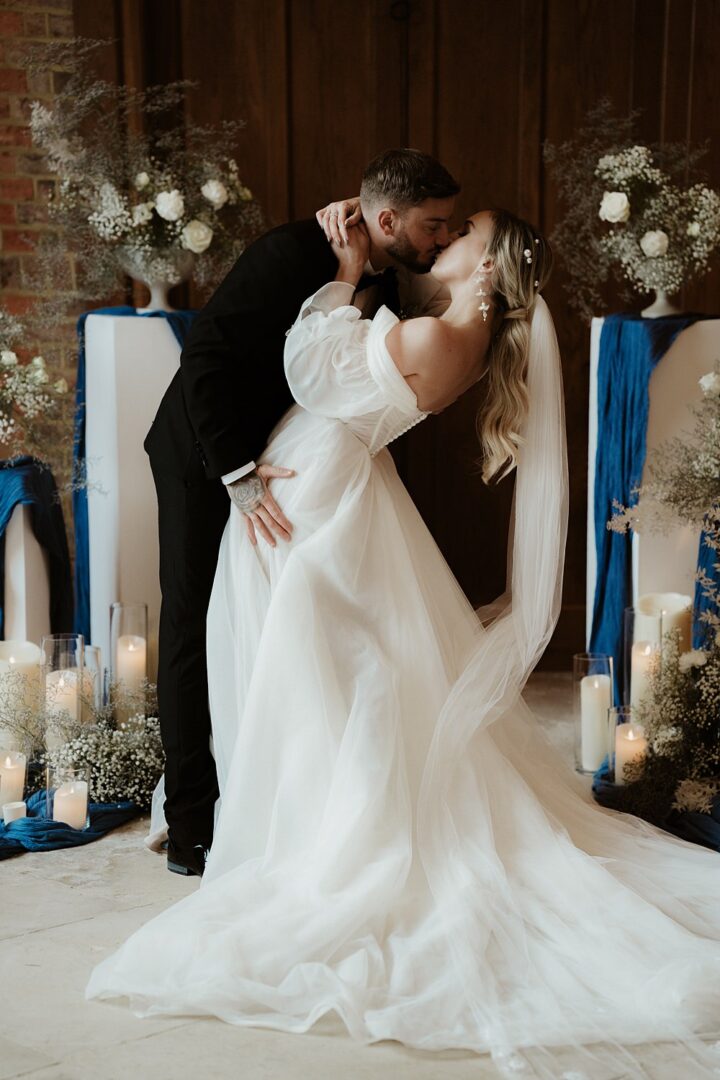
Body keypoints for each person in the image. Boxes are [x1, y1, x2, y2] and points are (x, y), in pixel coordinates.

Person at [90, 203, 720, 1077]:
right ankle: (291, 811)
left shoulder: (436, 336)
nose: (446, 240)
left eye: (462, 235)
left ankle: (317, 828)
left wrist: (346, 278)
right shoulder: (456, 334)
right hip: (332, 494)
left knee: (330, 676)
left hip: (325, 502)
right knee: (343, 677)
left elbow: (312, 367)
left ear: (487, 268)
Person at [143, 149, 460, 876]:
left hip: (286, 462)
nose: (442, 238)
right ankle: (190, 825)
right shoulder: (290, 252)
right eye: (433, 225)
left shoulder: (386, 271)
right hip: (204, 452)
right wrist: (236, 474)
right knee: (190, 624)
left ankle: (264, 798)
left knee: (257, 622)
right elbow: (205, 358)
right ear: (388, 220)